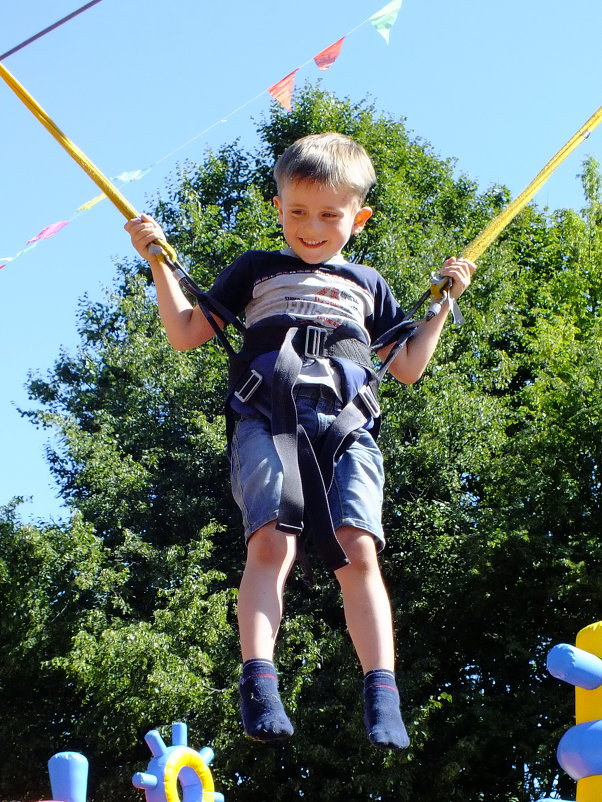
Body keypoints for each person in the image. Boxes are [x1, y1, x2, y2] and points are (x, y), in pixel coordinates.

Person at [126, 132, 474, 750]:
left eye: (329, 215)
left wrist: (443, 304)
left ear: (358, 218)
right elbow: (184, 332)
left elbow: (408, 365)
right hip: (268, 415)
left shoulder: (369, 283)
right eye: (297, 213)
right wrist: (159, 262)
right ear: (278, 206)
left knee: (358, 549)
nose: (311, 229)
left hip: (346, 423)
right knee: (270, 543)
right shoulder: (257, 269)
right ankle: (259, 683)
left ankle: (382, 690)